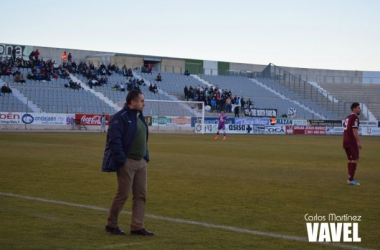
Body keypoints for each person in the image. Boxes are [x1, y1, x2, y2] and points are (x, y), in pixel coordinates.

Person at [102, 90, 154, 236]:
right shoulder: (120, 117)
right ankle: (111, 224)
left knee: (141, 195)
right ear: (133, 102)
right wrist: (122, 160)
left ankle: (137, 226)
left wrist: (145, 157)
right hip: (127, 162)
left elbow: (143, 138)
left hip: (141, 163)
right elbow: (114, 140)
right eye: (142, 101)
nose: (144, 103)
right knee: (123, 194)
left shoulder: (140, 117)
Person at [343, 102, 362, 186]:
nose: (359, 109)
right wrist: (359, 141)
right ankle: (351, 179)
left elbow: (345, 126)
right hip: (351, 141)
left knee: (351, 160)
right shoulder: (355, 117)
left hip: (345, 140)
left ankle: (350, 177)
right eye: (358, 108)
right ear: (354, 109)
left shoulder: (348, 117)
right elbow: (354, 130)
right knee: (355, 159)